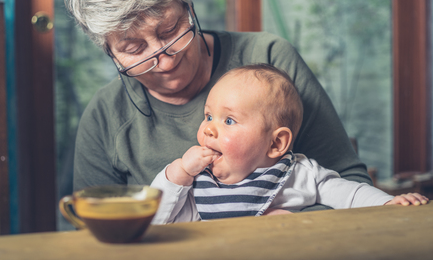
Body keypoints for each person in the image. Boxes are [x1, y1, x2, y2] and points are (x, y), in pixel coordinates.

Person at [66, 0, 372, 212]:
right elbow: (95, 230)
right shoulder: (107, 116)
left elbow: (349, 182)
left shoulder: (268, 60)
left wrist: (290, 228)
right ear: (111, 52)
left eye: (170, 30)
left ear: (188, 5)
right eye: (134, 50)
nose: (166, 61)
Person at [150, 65, 429, 224]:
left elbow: (352, 195)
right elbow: (157, 220)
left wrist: (389, 203)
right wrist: (177, 174)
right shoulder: (198, 182)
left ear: (276, 143)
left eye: (229, 121)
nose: (208, 128)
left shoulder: (299, 175)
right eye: (209, 116)